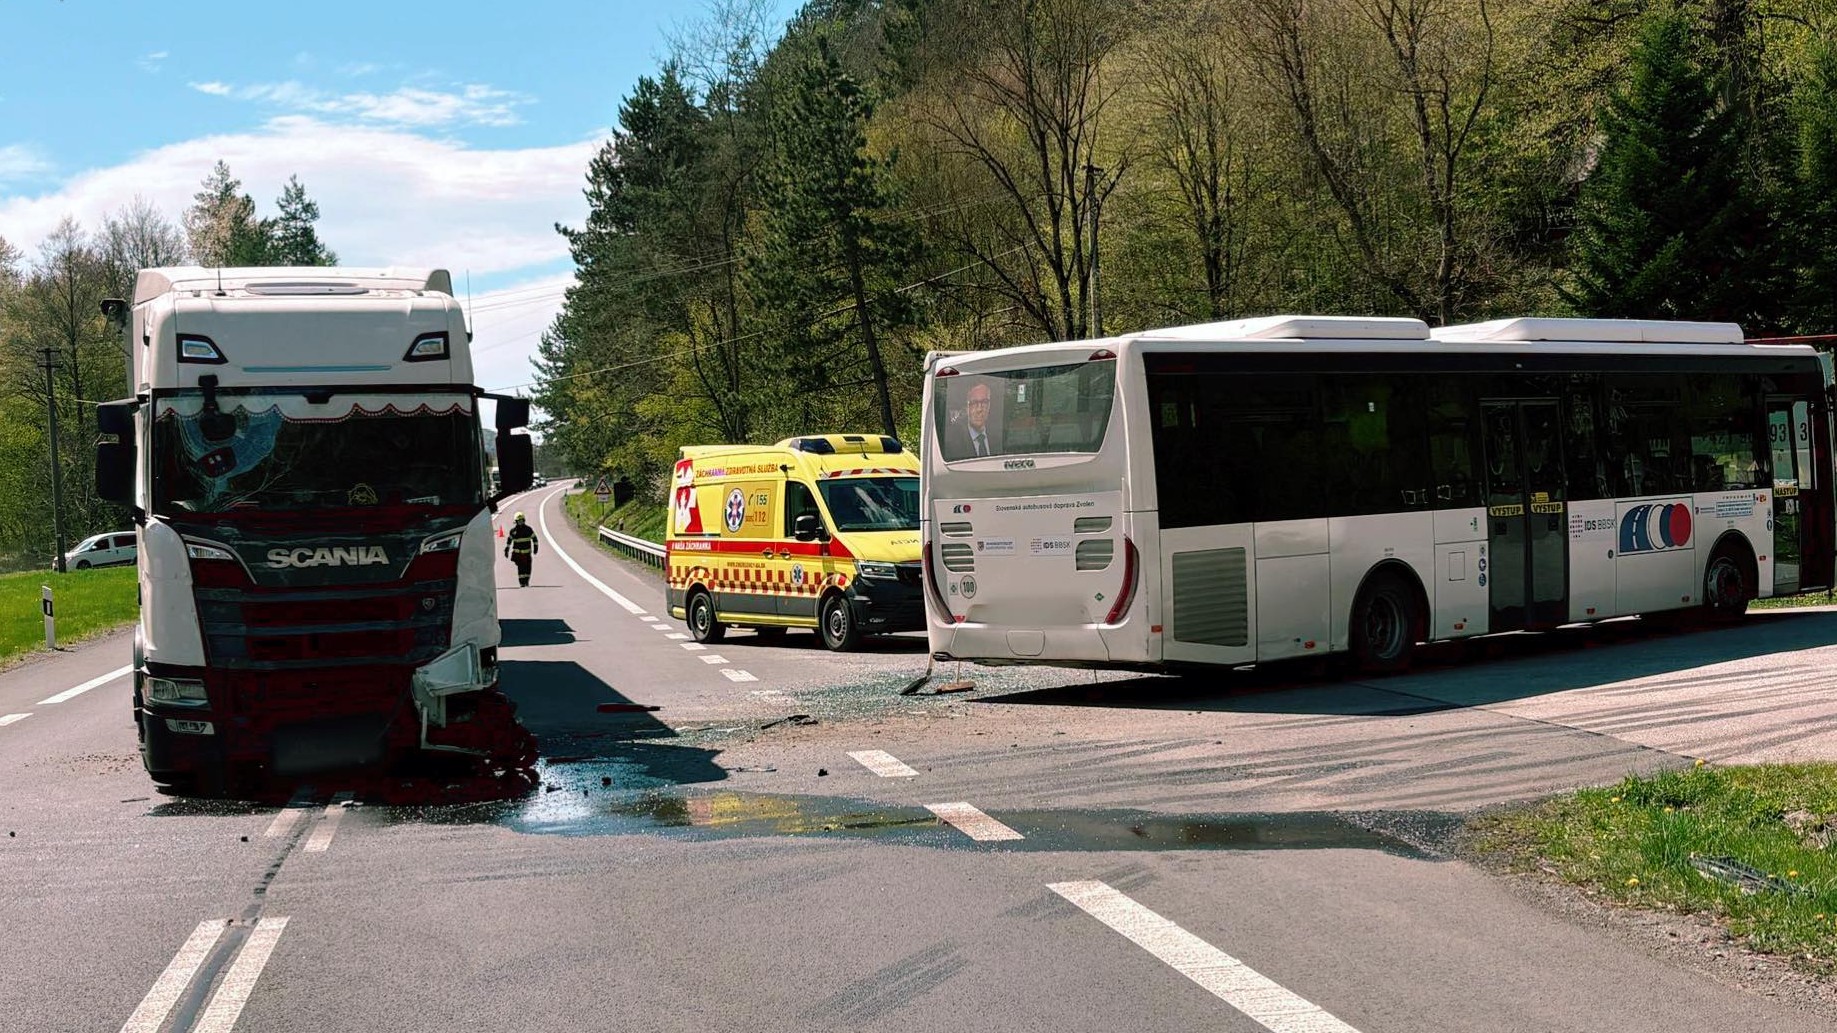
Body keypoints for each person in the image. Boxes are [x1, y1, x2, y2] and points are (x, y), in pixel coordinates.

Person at [945, 379, 1001, 459]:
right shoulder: (953, 442)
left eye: (984, 402)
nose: (979, 409)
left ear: (989, 406)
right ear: (966, 408)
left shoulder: (998, 439)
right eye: (974, 403)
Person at [505, 512, 539, 587]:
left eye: (521, 520)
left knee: (528, 568)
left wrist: (536, 547)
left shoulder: (528, 529)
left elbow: (534, 539)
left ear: (524, 520)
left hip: (527, 554)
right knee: (521, 568)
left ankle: (526, 581)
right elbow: (509, 541)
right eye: (518, 521)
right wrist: (507, 549)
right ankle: (522, 583)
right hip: (518, 554)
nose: (520, 522)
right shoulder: (513, 531)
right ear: (516, 521)